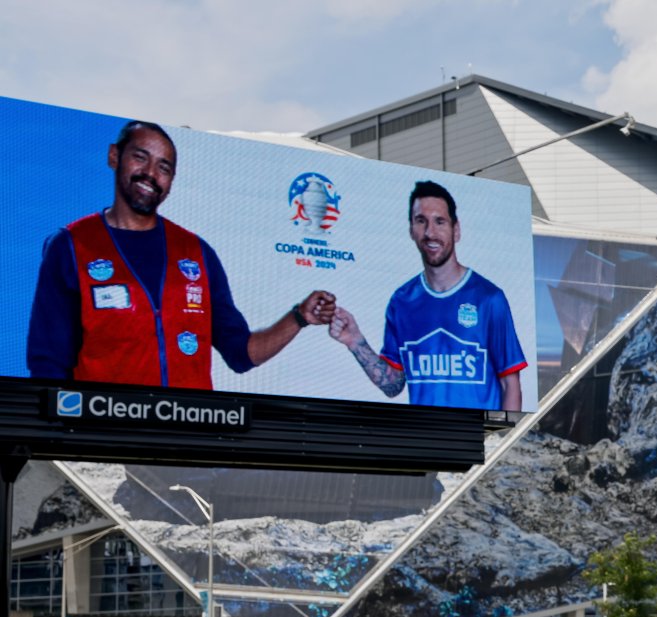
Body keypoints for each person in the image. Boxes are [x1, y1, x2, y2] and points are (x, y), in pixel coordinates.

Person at [27, 120, 336, 389]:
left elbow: (242, 354)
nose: (150, 174)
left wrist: (298, 317)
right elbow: (48, 362)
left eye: (164, 168)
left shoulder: (196, 253)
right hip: (105, 436)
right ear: (114, 156)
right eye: (140, 157)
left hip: (187, 439)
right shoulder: (71, 244)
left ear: (171, 182)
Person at [330, 180, 526, 411]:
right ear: (411, 230)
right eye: (421, 221)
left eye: (440, 222)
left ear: (456, 230)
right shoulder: (401, 301)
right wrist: (355, 341)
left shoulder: (489, 298)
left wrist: (501, 440)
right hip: (427, 440)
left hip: (477, 439)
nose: (430, 232)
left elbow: (510, 384)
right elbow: (393, 386)